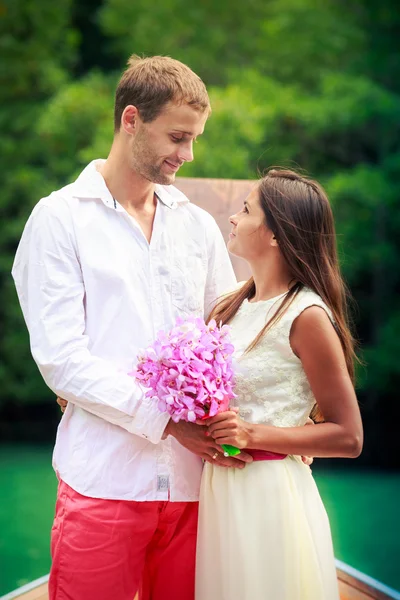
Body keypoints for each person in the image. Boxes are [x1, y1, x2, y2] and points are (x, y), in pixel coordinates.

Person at [11, 55, 253, 600]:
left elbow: (228, 337)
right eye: (176, 136)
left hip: (198, 489)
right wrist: (168, 422)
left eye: (194, 139)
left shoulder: (196, 225)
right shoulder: (59, 219)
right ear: (129, 120)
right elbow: (61, 359)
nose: (187, 155)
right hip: (104, 484)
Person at [195, 169, 363, 600]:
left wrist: (252, 434)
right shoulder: (229, 305)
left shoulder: (306, 316)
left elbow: (349, 436)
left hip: (268, 494)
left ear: (275, 234)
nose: (233, 218)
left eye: (246, 209)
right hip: (218, 490)